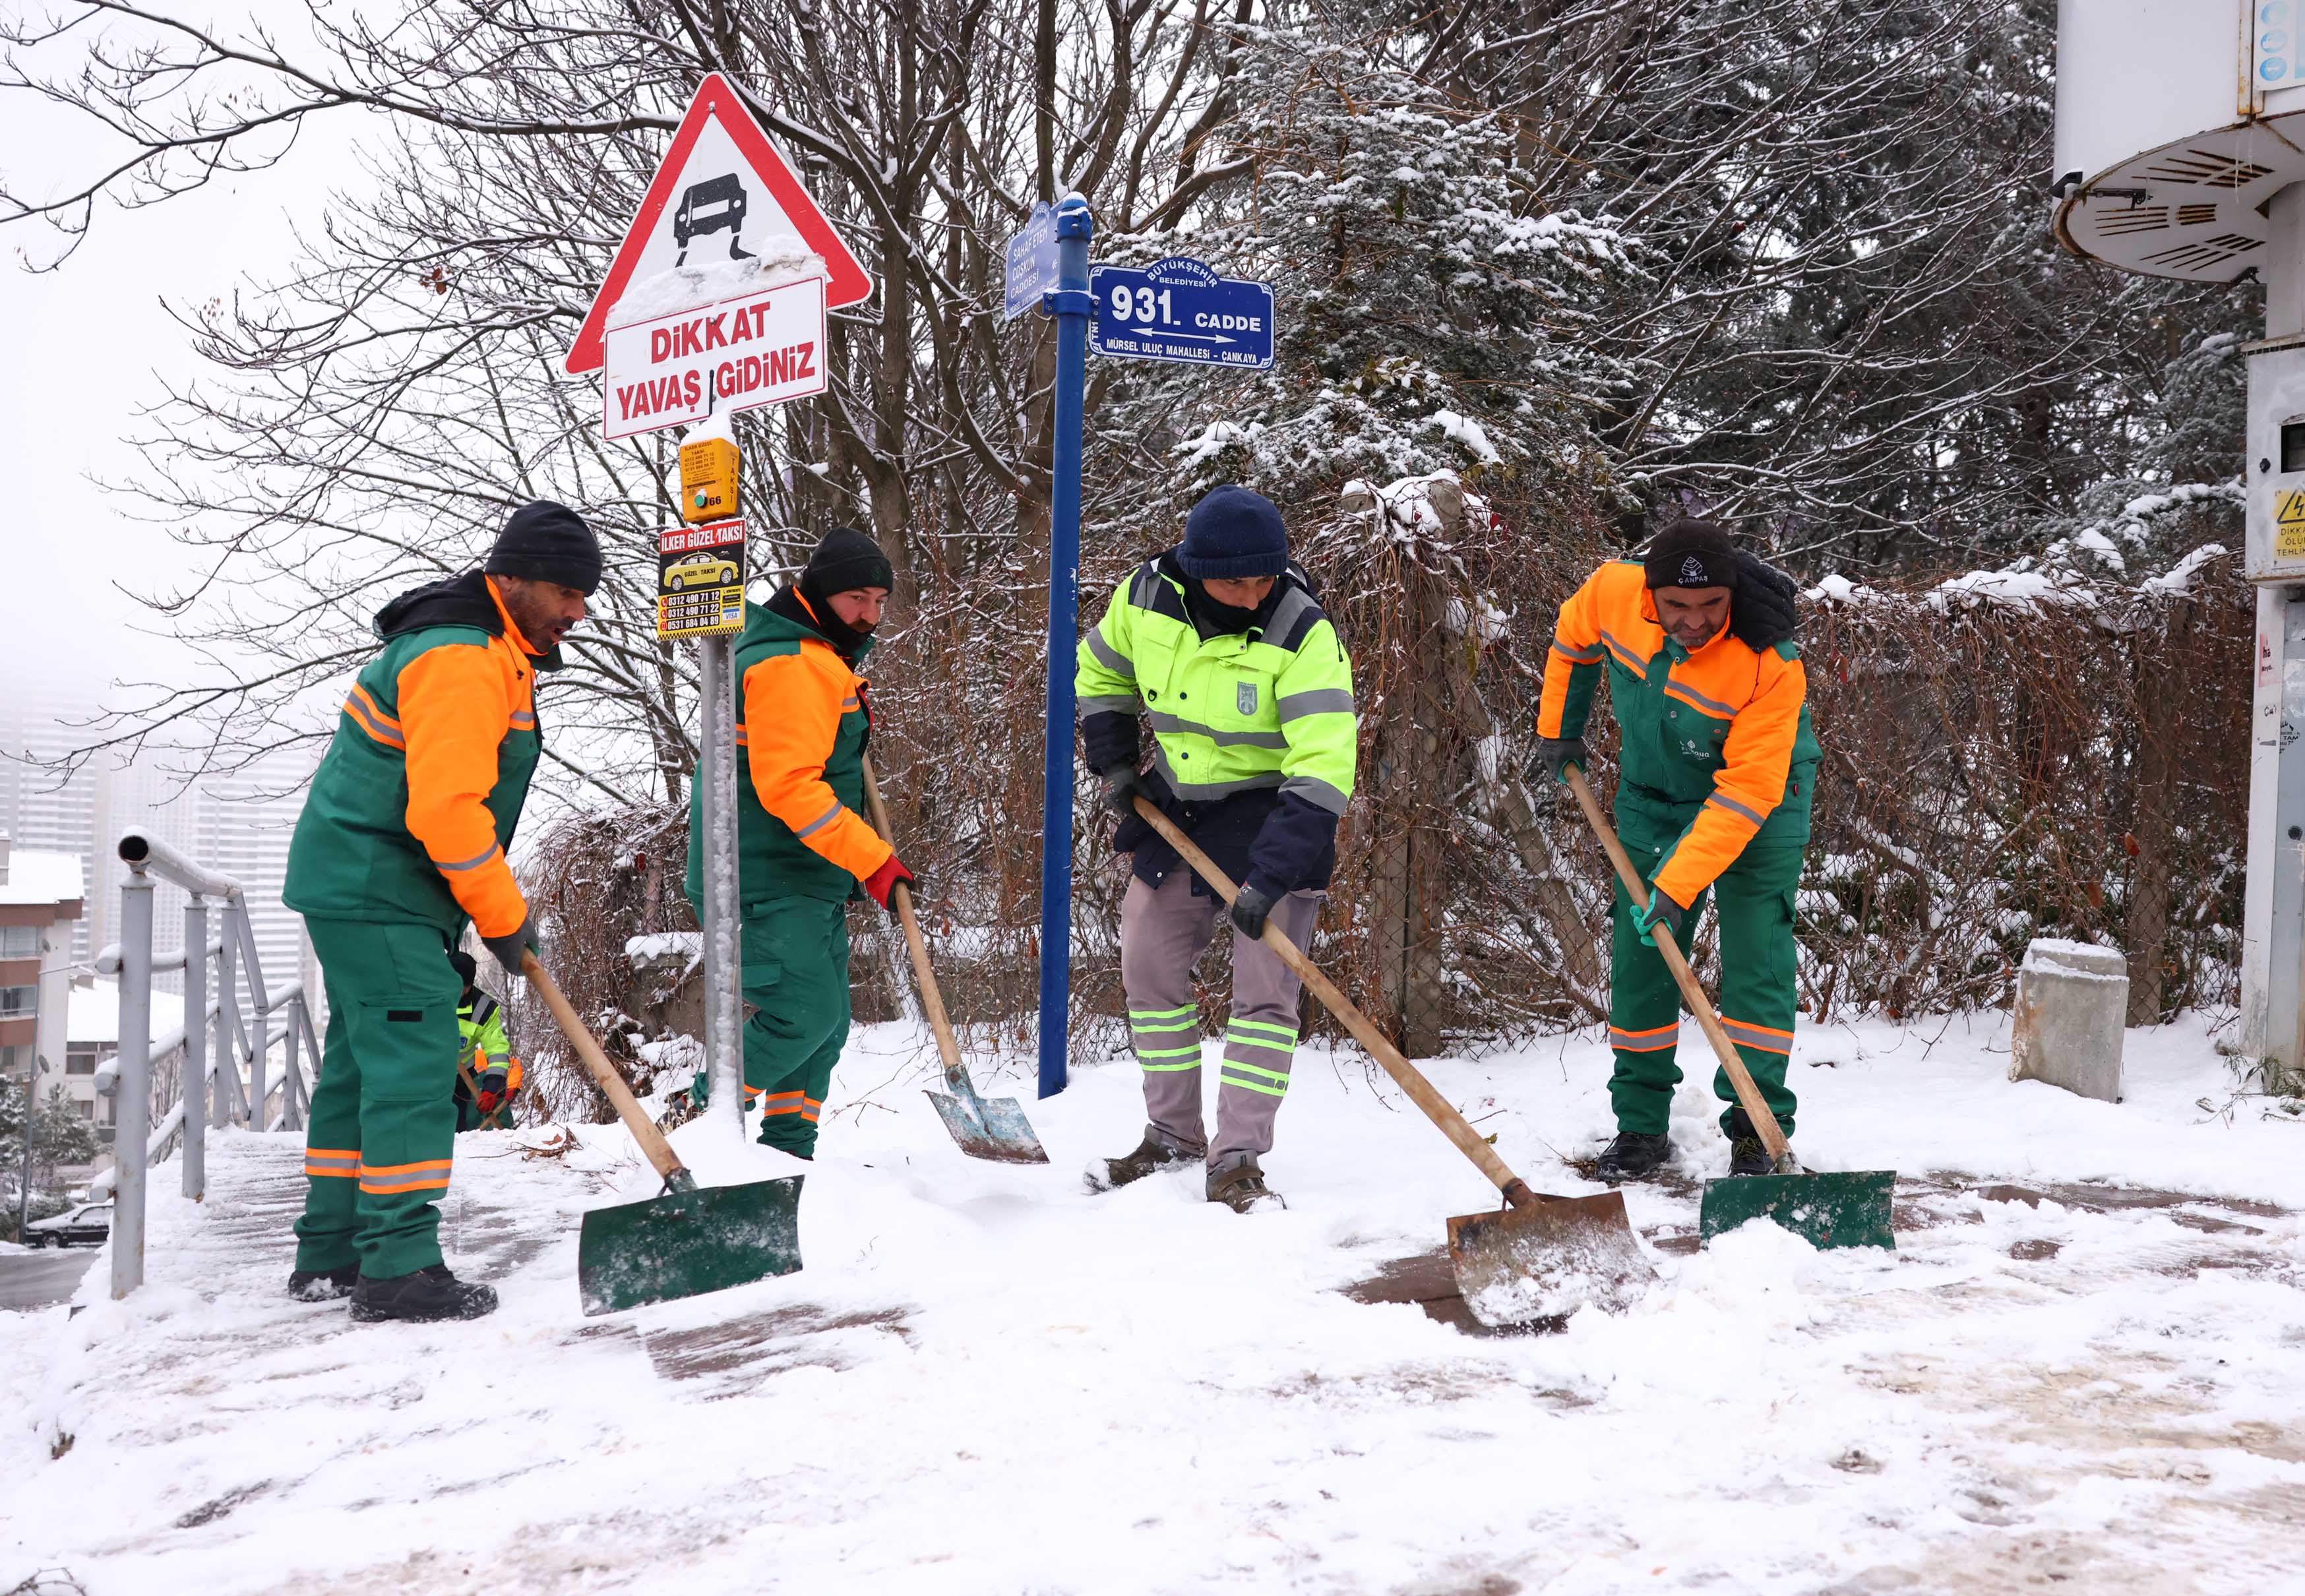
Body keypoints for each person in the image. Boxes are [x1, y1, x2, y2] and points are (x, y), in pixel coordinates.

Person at [282, 501, 597, 1320]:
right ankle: (397, 1268)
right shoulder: (463, 655)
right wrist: (502, 915)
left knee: (362, 1066)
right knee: (417, 1063)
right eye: (567, 590)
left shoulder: (487, 647)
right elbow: (448, 812)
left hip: (376, 885)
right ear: (513, 578)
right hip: (377, 882)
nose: (579, 610)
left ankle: (333, 1251)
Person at [1074, 483, 1357, 1213]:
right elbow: (1101, 671)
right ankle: (1172, 1131)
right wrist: (1113, 758)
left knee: (1266, 991)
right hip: (1179, 808)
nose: (1253, 592)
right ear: (1195, 566)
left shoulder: (1301, 630)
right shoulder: (1144, 598)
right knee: (1148, 962)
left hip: (1277, 813)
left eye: (1266, 576)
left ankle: (1237, 1156)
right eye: (1237, 580)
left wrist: (1274, 873)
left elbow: (1324, 764)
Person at [1533, 518, 1815, 1181]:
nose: (1695, 621)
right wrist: (1560, 728)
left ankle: (1755, 1131)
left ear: (1733, 592)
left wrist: (1677, 883)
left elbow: (1748, 790)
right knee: (1640, 958)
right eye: (1678, 607)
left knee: (1757, 958)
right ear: (1650, 596)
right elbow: (1573, 639)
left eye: (1712, 605)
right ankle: (1639, 1128)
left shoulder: (1769, 662)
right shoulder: (1611, 592)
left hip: (1763, 801)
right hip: (1652, 796)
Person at [685, 527, 914, 1159]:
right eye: (855, 599)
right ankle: (698, 1121)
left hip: (803, 876)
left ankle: (788, 1151)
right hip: (763, 878)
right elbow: (790, 789)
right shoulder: (793, 662)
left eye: (879, 601)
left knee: (828, 1024)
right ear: (818, 593)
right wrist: (873, 860)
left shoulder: (812, 655)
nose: (869, 615)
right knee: (804, 1015)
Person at [447, 950, 520, 1132]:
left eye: (462, 987)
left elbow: (497, 1050)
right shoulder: (424, 996)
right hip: (422, 1075)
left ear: (470, 985)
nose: (457, 992)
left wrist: (492, 1088)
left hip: (460, 1080)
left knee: (456, 1134)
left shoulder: (483, 1009)